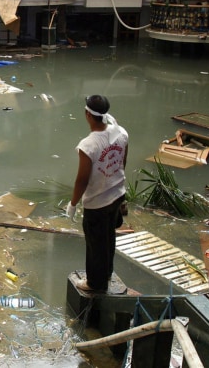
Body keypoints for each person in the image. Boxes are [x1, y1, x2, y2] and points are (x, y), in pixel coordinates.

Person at [65, 95, 128, 293]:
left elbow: (82, 179)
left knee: (95, 245)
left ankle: (94, 283)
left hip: (97, 203)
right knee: (108, 238)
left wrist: (73, 203)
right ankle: (107, 273)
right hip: (117, 195)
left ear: (87, 114)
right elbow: (122, 162)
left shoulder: (88, 145)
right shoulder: (120, 133)